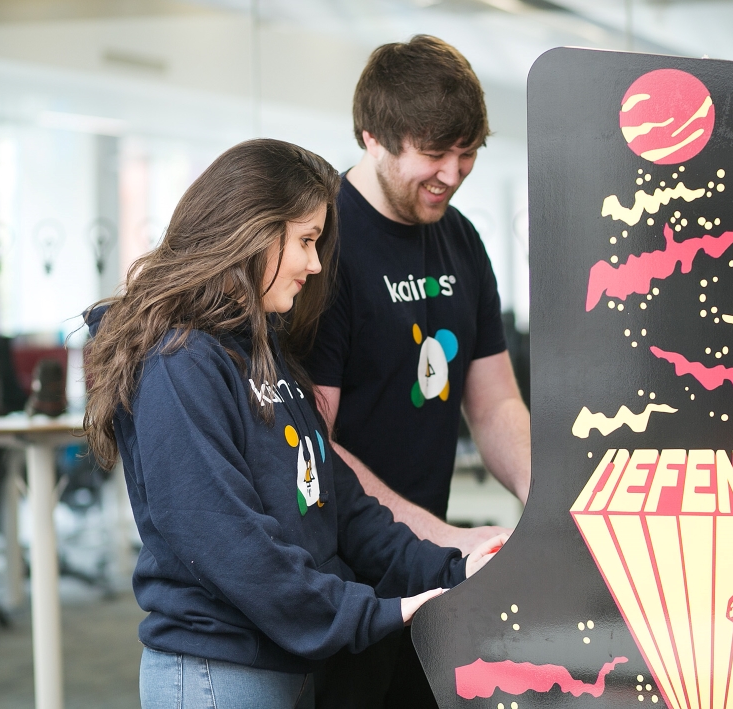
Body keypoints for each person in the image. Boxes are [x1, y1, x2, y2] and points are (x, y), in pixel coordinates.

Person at [81, 139, 504, 709]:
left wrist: (453, 568)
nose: (314, 263)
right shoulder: (178, 362)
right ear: (250, 233)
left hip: (289, 664)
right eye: (305, 241)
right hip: (219, 672)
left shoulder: (262, 349)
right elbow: (232, 544)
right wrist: (378, 613)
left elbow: (343, 509)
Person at [304, 36, 531, 708]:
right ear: (373, 137)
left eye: (469, 153)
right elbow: (319, 440)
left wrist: (549, 503)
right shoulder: (323, 248)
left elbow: (493, 405)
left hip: (427, 570)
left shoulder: (460, 239)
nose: (455, 172)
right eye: (436, 153)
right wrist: (441, 538)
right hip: (344, 576)